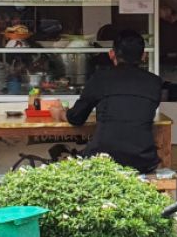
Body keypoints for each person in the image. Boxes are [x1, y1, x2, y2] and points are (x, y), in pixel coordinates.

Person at [49, 29, 162, 173]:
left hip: (104, 159)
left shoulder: (100, 79)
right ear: (144, 56)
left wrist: (60, 113)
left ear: (111, 54)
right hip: (143, 160)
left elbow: (76, 118)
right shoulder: (154, 83)